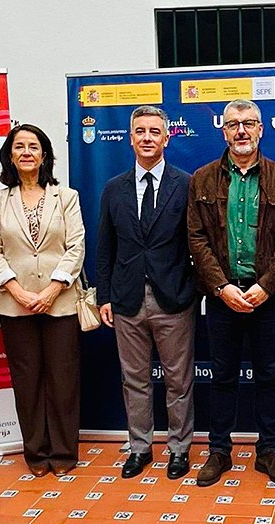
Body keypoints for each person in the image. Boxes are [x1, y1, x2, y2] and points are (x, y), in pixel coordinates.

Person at [187, 99, 275, 487]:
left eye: (249, 123)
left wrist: (265, 286)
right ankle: (219, 451)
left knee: (269, 377)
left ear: (261, 129)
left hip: (266, 299)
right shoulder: (202, 179)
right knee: (222, 377)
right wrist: (221, 287)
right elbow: (196, 238)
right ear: (223, 130)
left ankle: (268, 452)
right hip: (222, 298)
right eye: (234, 124)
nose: (241, 130)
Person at [96, 106, 198, 481]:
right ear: (130, 138)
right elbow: (104, 246)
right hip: (125, 300)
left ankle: (179, 450)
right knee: (134, 380)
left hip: (173, 298)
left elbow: (197, 242)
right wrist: (103, 295)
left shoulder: (185, 184)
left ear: (167, 138)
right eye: (140, 131)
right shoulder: (113, 188)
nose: (147, 137)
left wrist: (193, 290)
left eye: (155, 131)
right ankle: (139, 448)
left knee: (178, 380)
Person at [0, 124, 85, 478]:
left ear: (45, 155)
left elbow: (76, 248)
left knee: (63, 378)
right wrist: (19, 291)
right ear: (10, 155)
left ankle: (63, 451)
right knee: (27, 381)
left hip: (60, 303)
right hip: (16, 304)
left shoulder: (66, 196)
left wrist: (52, 290)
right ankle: (36, 452)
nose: (27, 152)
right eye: (19, 146)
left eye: (34, 146)